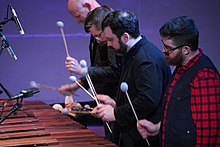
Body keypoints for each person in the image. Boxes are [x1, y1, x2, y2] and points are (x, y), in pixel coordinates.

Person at [92, 10, 171, 147]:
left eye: (111, 39)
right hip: (133, 135)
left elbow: (148, 100)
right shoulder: (132, 54)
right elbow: (135, 93)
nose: (109, 44)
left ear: (125, 37)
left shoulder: (145, 59)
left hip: (144, 138)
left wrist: (116, 113)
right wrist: (115, 102)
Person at [137, 16, 220, 147]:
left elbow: (208, 131)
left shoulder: (204, 76)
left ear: (185, 49)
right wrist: (158, 128)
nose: (164, 51)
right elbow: (180, 116)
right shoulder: (181, 67)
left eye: (168, 48)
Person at [58, 1, 120, 142]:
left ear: (87, 6)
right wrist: (79, 84)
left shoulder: (108, 28)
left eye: (78, 15)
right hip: (104, 102)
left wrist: (82, 70)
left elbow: (116, 71)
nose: (77, 20)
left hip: (115, 103)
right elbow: (100, 65)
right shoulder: (96, 27)